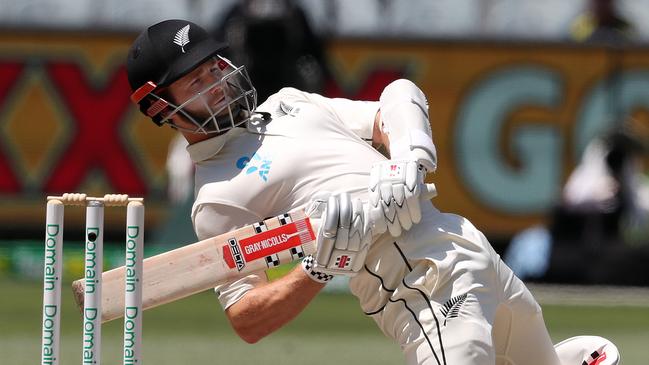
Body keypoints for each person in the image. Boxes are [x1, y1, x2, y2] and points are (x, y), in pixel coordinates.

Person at [125, 19, 619, 365]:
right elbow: (247, 319)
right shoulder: (218, 199)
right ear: (160, 106)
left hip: (469, 247)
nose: (218, 82)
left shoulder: (290, 103)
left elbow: (395, 102)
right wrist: (320, 268)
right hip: (420, 288)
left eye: (215, 67)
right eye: (196, 81)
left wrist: (407, 161)